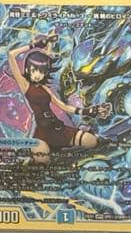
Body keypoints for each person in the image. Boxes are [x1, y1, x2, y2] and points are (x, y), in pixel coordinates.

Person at [6, 34, 111, 164]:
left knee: (92, 141)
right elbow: (11, 55)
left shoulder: (45, 88)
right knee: (42, 161)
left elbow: (64, 106)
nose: (37, 75)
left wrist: (88, 111)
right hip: (42, 134)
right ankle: (41, 152)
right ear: (27, 70)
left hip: (58, 129)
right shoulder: (25, 85)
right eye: (34, 70)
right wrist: (34, 46)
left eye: (41, 71)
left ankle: (67, 142)